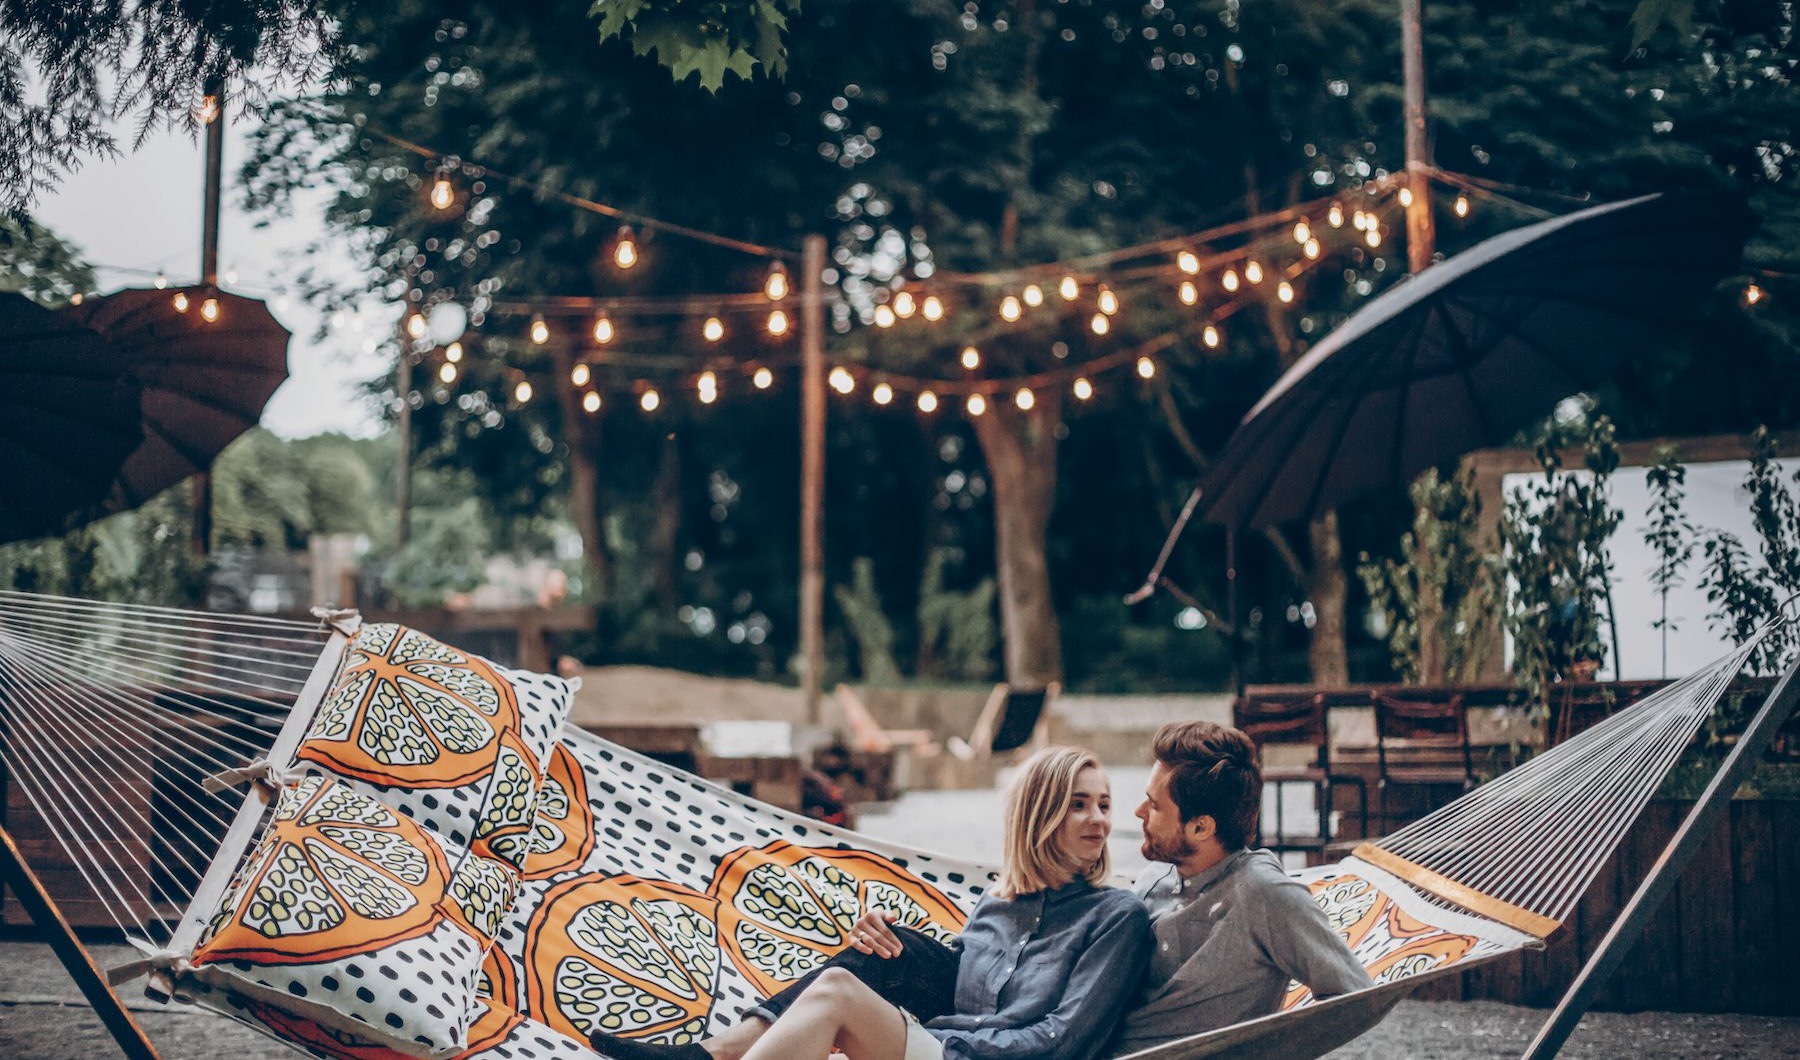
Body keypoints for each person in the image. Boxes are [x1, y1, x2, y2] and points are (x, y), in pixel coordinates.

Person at [591, 745, 1152, 1060]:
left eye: (1104, 804)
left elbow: (1064, 1040)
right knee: (879, 957)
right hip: (941, 1043)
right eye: (1079, 805)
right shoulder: (996, 905)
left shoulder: (1116, 917)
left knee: (837, 994)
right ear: (1039, 813)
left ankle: (706, 1058)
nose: (1100, 820)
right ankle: (710, 1056)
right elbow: (962, 978)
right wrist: (887, 946)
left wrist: (938, 1037)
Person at [1111, 720, 1373, 1054]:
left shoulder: (1263, 893)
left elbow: (1355, 998)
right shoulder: (1157, 876)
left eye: (1155, 805)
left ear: (1201, 827)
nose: (1139, 812)